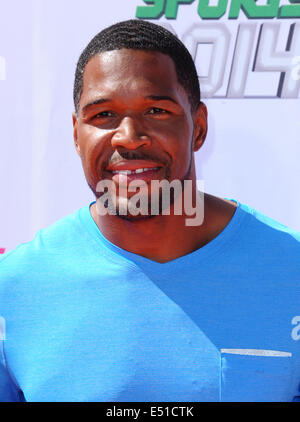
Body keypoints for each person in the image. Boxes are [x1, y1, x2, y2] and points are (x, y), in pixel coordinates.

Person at [0, 19, 300, 402]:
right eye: (103, 115)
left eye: (156, 110)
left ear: (199, 127)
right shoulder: (13, 289)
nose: (128, 136)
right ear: (76, 134)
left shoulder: (291, 271)